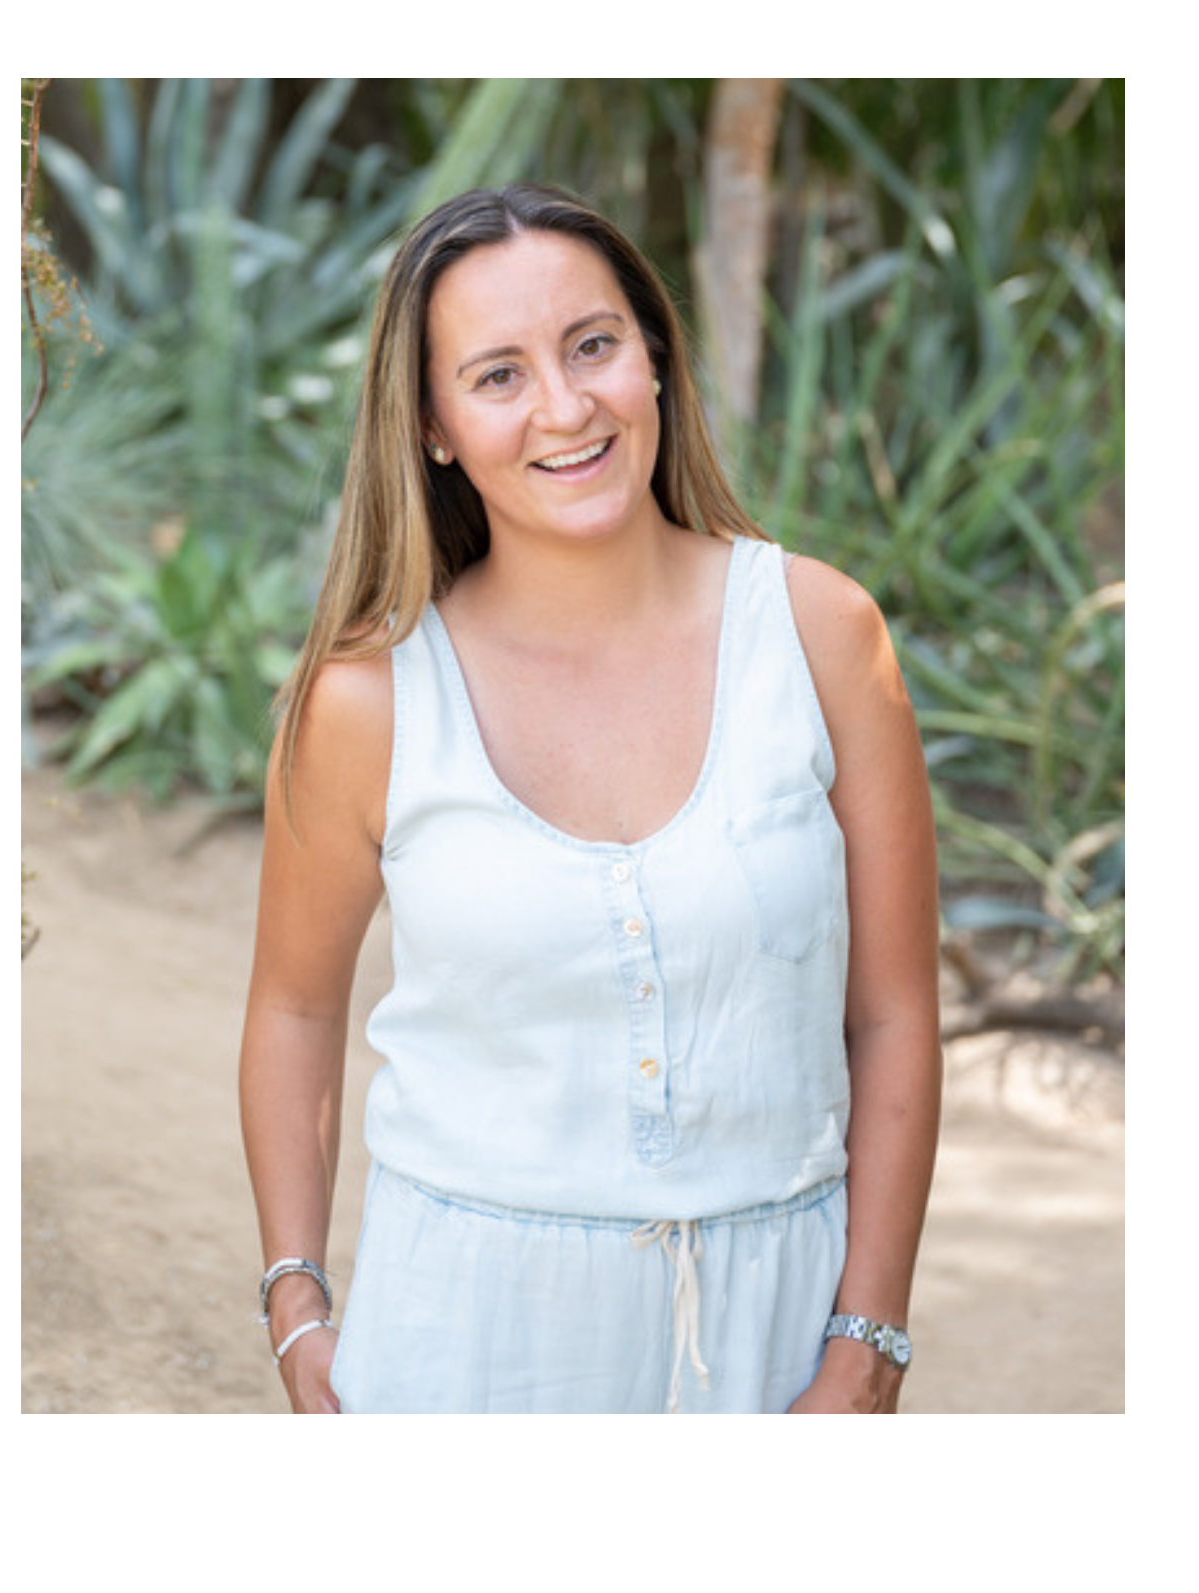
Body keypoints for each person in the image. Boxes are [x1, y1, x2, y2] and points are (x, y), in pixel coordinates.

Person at [239, 182, 942, 1415]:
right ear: (434, 426)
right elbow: (296, 1007)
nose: (565, 408)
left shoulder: (824, 636)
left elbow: (889, 1015)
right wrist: (297, 1303)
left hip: (777, 1336)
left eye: (593, 346)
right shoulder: (369, 701)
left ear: (656, 362)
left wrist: (867, 1338)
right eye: (497, 375)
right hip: (459, 1339)